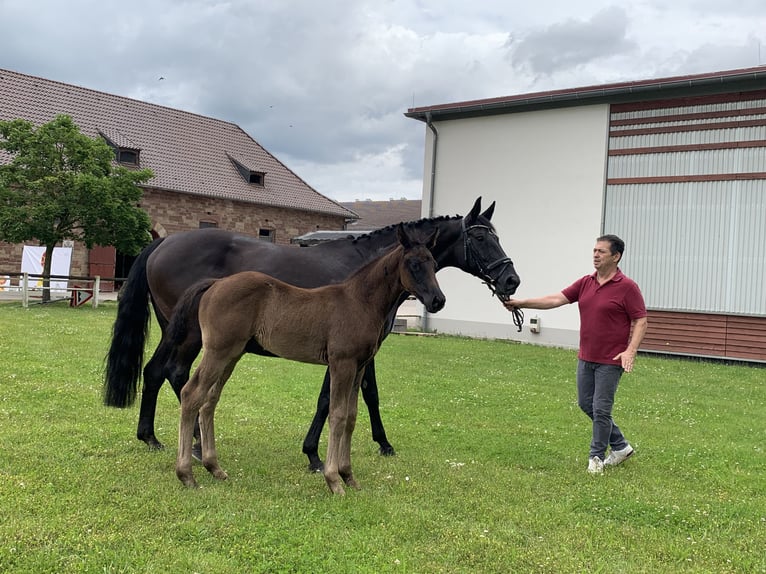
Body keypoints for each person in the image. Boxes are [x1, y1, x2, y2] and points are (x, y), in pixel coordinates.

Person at [504, 234, 648, 475]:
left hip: (610, 361)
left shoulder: (627, 287)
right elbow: (555, 299)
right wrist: (521, 303)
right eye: (594, 250)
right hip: (586, 357)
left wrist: (630, 351)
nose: (595, 255)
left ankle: (596, 458)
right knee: (585, 403)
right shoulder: (585, 283)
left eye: (601, 251)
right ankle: (621, 447)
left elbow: (641, 320)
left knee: (601, 409)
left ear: (616, 256)